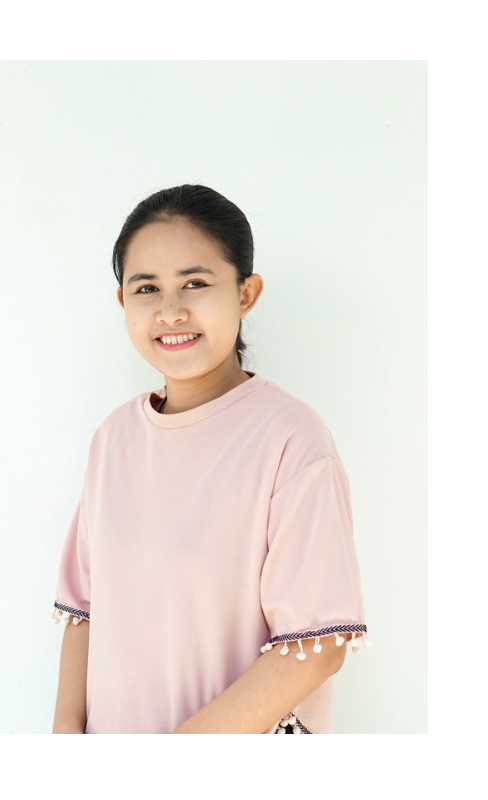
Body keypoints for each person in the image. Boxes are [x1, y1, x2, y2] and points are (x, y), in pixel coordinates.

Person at [51, 184, 369, 735]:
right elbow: (85, 611)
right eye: (147, 288)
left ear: (246, 294)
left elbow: (318, 647)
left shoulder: (290, 438)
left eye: (195, 283)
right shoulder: (114, 438)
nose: (171, 311)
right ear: (124, 302)